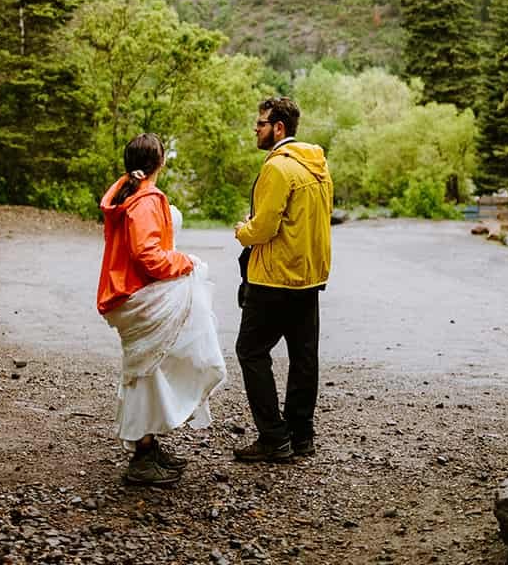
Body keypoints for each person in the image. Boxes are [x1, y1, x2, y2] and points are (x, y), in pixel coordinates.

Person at [97, 132, 226, 486]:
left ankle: (149, 444)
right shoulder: (145, 200)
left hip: (124, 295)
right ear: (161, 162)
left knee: (148, 369)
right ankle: (141, 457)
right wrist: (185, 262)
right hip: (137, 294)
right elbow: (148, 255)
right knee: (146, 370)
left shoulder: (126, 195)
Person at [233, 95, 333, 464]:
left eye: (259, 124)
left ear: (278, 128)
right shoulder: (317, 167)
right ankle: (301, 435)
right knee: (304, 357)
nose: (255, 130)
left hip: (273, 279)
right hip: (308, 277)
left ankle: (273, 438)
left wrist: (243, 231)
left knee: (251, 351)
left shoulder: (277, 169)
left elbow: (264, 227)